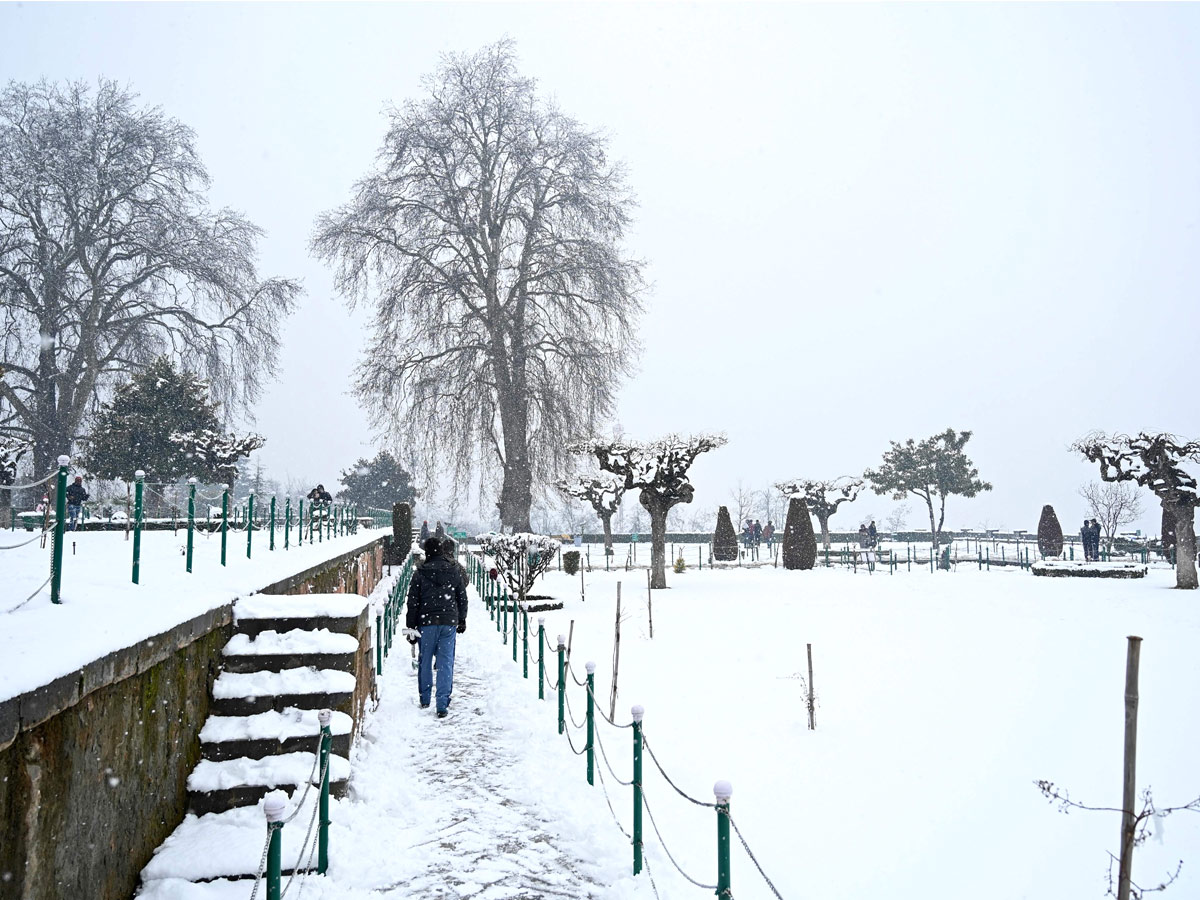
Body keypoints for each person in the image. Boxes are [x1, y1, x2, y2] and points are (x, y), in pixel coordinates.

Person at [405, 537, 468, 718]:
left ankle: (425, 698)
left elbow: (413, 602)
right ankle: (442, 703)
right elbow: (462, 597)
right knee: (445, 662)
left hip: (427, 622)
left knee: (425, 661)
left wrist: (411, 627)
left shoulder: (420, 573)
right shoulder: (454, 571)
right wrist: (462, 619)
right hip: (448, 621)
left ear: (427, 552)